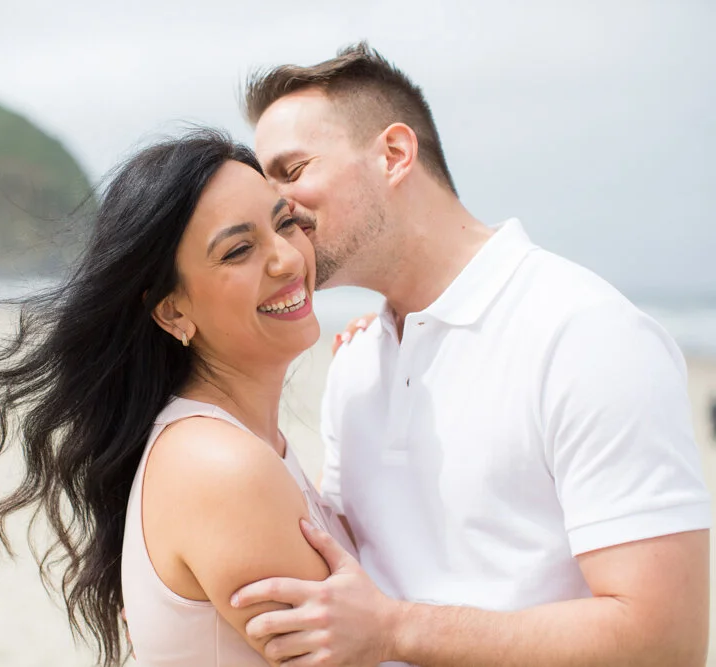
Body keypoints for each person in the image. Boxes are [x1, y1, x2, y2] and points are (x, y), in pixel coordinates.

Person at [231, 43, 712, 666]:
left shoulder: (586, 334)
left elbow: (666, 641)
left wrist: (397, 631)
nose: (278, 210)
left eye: (291, 172)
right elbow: (338, 560)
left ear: (394, 155)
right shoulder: (353, 362)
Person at [0, 130, 354, 667]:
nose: (286, 258)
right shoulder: (223, 468)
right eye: (238, 250)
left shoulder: (228, 445)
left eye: (286, 223)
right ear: (171, 312)